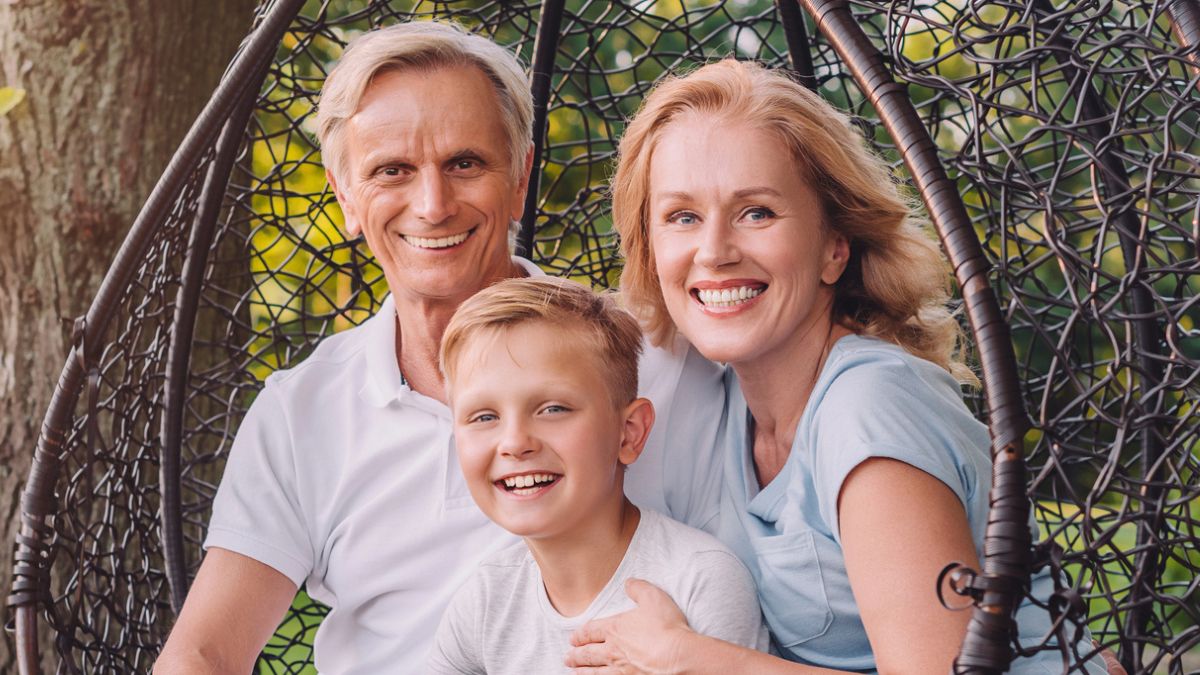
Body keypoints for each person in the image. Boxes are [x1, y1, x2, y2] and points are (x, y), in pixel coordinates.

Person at [154, 22, 725, 674]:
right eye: (391, 170)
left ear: (519, 178)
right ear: (345, 195)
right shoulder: (303, 411)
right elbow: (202, 652)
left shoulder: (655, 366)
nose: (432, 204)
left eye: (465, 163)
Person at [565, 59, 1108, 674]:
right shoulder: (718, 399)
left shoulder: (869, 409)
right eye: (682, 217)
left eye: (757, 212)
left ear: (834, 248)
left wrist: (695, 660)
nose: (713, 251)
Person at [427, 277, 767, 673]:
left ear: (630, 433)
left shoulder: (699, 581)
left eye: (553, 409)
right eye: (484, 417)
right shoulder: (484, 602)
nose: (515, 442)